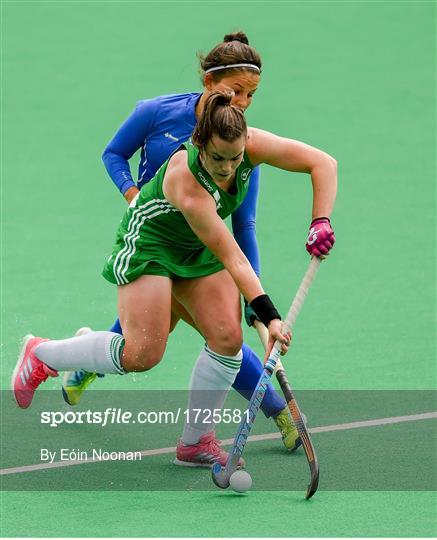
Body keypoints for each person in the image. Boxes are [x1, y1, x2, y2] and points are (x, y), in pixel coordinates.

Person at [12, 89, 337, 468]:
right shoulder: (186, 180)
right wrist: (270, 316)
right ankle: (41, 353)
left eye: (235, 159)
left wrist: (320, 221)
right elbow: (233, 257)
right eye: (217, 158)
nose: (227, 168)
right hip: (152, 245)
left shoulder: (250, 145)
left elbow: (323, 163)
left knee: (228, 339)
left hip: (196, 250)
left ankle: (195, 442)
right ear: (200, 142)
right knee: (142, 354)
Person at [61, 32, 304, 452]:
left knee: (221, 335)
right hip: (155, 241)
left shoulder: (238, 145)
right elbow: (113, 154)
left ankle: (86, 358)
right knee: (160, 340)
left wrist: (254, 299)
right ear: (209, 84)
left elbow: (243, 229)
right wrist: (132, 195)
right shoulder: (155, 113)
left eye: (251, 94)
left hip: (203, 253)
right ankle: (279, 410)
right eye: (235, 91)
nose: (243, 102)